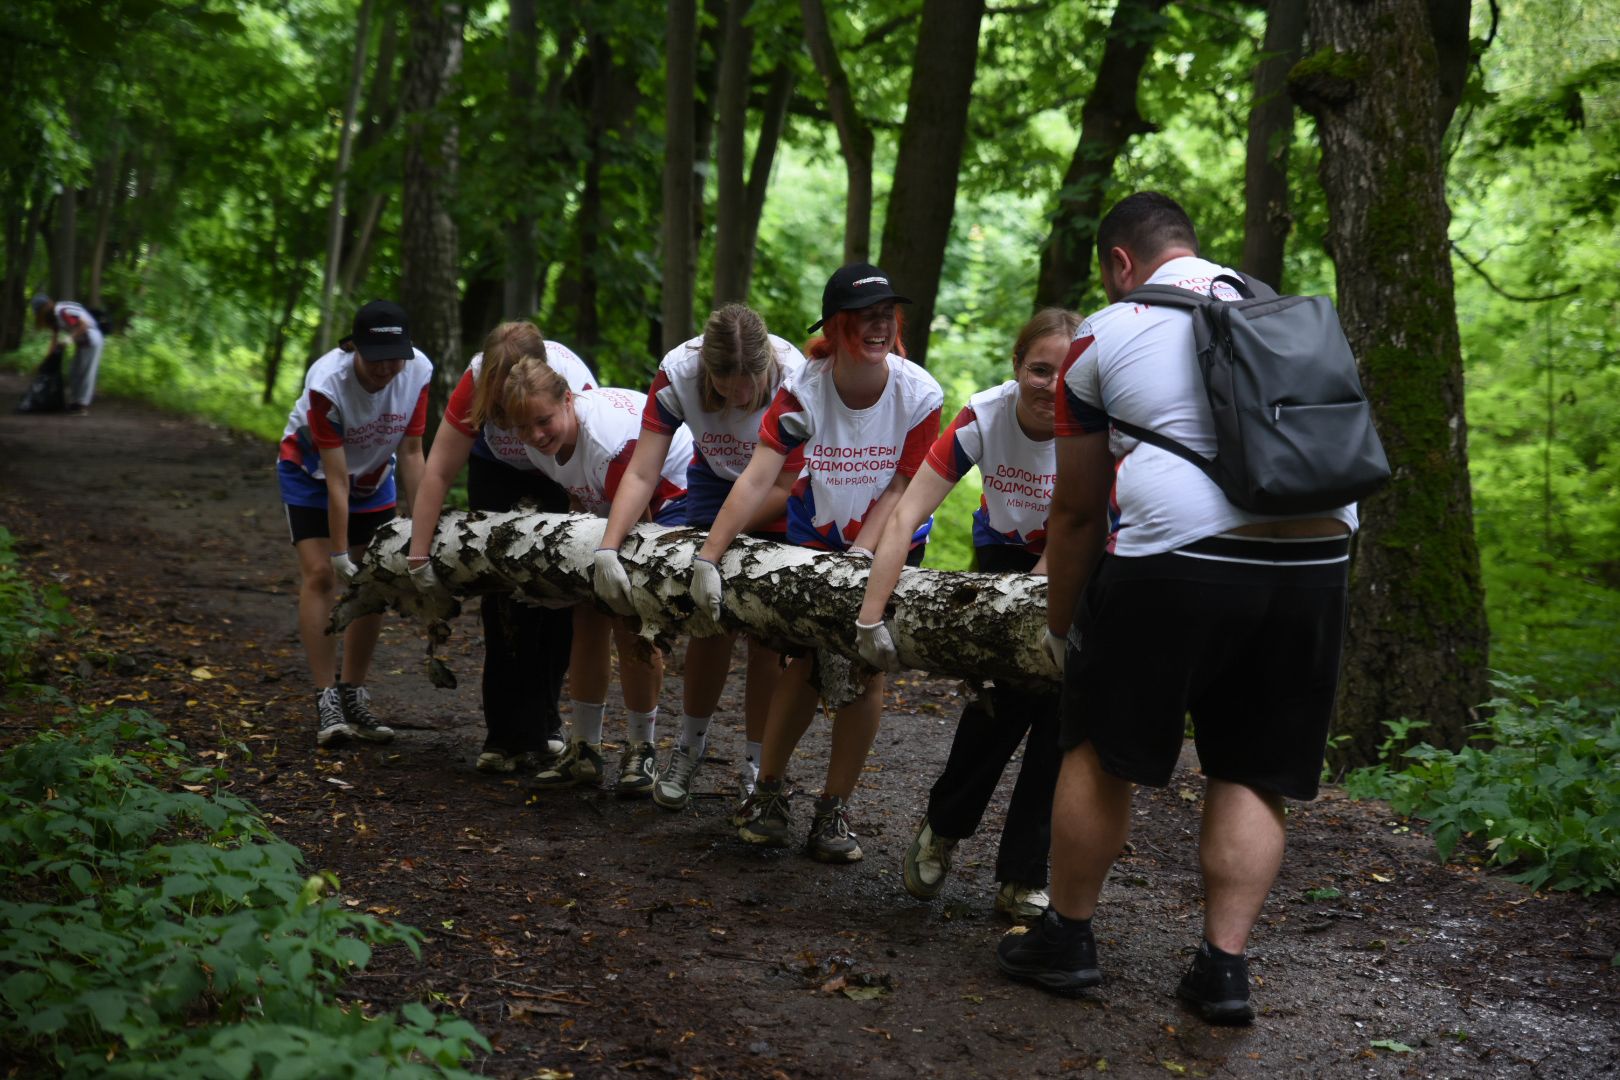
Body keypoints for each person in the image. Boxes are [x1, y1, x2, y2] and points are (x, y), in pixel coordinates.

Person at [994, 192, 1357, 1024]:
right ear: (1191, 246)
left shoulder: (1107, 332)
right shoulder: (1284, 310)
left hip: (1178, 561)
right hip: (1318, 558)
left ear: (1121, 263)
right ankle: (1223, 970)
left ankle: (1067, 940)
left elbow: (1080, 511)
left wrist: (1062, 630)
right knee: (1252, 766)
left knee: (1100, 746)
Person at [690, 263, 943, 863]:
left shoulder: (920, 394)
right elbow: (758, 477)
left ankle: (833, 811)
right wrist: (708, 555)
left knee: (864, 666)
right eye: (865, 317)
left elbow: (902, 488)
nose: (879, 327)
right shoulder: (804, 389)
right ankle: (769, 794)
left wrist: (863, 559)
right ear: (836, 325)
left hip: (889, 535)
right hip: (815, 527)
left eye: (888, 315)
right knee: (802, 658)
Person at [854, 307, 1079, 922]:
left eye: (1064, 372)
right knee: (999, 705)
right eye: (1038, 369)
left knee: (1057, 720)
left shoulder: (1095, 423)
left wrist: (1040, 609)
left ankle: (1024, 875)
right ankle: (944, 826)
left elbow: (1080, 525)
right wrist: (871, 618)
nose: (1050, 385)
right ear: (1016, 365)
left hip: (1076, 559)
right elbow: (906, 511)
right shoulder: (984, 414)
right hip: (1003, 554)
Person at [593, 304, 806, 809]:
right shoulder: (677, 373)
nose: (740, 396)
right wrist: (609, 544)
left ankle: (757, 764)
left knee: (767, 634)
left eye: (750, 383)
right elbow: (642, 471)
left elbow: (781, 482)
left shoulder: (798, 378)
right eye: (726, 385)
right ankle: (689, 747)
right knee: (708, 618)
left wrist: (719, 539)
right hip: (714, 480)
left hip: (782, 491)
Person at [407, 322, 595, 773]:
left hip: (556, 471)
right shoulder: (475, 382)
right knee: (502, 599)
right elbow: (437, 471)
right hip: (497, 474)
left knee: (555, 599)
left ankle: (546, 721)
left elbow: (593, 464)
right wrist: (418, 555)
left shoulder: (572, 380)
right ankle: (504, 735)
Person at [502, 357, 693, 796]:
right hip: (615, 497)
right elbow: (581, 494)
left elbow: (637, 521)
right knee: (585, 615)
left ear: (568, 400)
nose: (534, 435)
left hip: (669, 494)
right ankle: (585, 749)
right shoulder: (538, 443)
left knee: (629, 618)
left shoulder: (607, 442)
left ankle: (640, 750)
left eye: (544, 420)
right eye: (523, 427)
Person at [278, 300, 433, 747]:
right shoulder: (328, 382)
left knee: (372, 584)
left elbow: (411, 453)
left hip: (374, 475)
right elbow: (336, 479)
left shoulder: (418, 370)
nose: (388, 368)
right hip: (311, 474)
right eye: (377, 357)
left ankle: (354, 693)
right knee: (323, 574)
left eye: (395, 357)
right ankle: (326, 697)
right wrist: (341, 551)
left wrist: (423, 536)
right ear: (355, 348)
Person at [31, 294, 103, 413]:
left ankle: (81, 405)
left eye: (39, 312)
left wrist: (69, 339)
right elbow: (54, 341)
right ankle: (75, 402)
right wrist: (46, 361)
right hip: (82, 342)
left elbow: (83, 325)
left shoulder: (63, 311)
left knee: (85, 372)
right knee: (74, 371)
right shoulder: (54, 317)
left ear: (44, 307)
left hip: (91, 339)